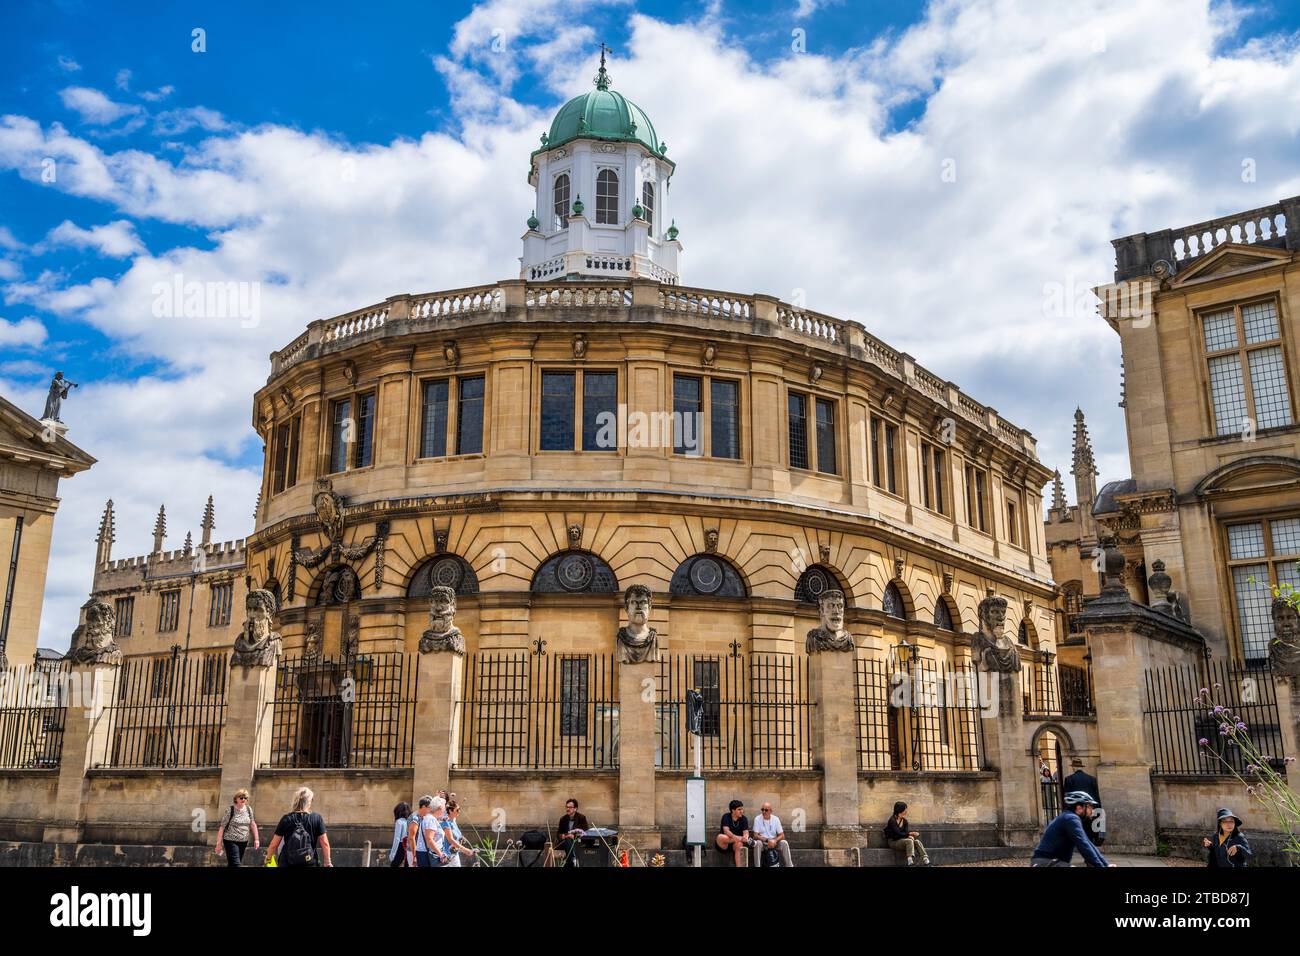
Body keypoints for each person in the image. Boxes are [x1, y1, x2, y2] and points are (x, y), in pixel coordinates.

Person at [1031, 791, 1114, 868]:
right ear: (1079, 808)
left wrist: (1106, 864)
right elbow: (1083, 845)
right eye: (1090, 807)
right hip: (1045, 862)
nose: (1092, 810)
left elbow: (1088, 844)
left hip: (1050, 862)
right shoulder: (1070, 819)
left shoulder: (1070, 818)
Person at [266, 786, 332, 867]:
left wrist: (268, 859)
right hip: (309, 861)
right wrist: (327, 862)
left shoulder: (286, 818)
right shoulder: (317, 818)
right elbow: (325, 843)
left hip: (287, 862)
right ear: (309, 801)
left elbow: (274, 844)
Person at [214, 789, 259, 867]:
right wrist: (219, 843)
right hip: (230, 841)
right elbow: (222, 827)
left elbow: (253, 824)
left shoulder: (248, 809)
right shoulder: (230, 810)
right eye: (241, 797)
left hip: (243, 841)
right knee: (236, 864)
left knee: (233, 864)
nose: (243, 799)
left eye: (245, 798)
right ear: (236, 799)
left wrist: (256, 839)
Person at [408, 794, 450, 868]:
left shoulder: (430, 818)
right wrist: (440, 854)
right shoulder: (430, 819)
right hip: (427, 855)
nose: (445, 810)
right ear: (439, 808)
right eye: (444, 808)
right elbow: (429, 839)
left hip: (427, 854)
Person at [883, 800, 931, 866]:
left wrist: (909, 835)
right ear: (900, 810)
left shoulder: (905, 821)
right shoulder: (892, 820)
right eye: (905, 809)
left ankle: (926, 861)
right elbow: (897, 834)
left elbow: (905, 832)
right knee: (909, 841)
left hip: (903, 841)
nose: (906, 811)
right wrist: (910, 834)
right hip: (893, 841)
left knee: (917, 841)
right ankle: (910, 862)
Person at [751, 802, 794, 868]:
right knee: (758, 843)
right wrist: (768, 840)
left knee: (784, 843)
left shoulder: (775, 819)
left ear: (771, 811)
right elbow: (755, 835)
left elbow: (782, 835)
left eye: (766, 810)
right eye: (762, 810)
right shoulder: (757, 819)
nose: (764, 812)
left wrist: (774, 841)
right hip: (763, 843)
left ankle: (790, 865)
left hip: (774, 843)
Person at [440, 800, 478, 866]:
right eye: (457, 810)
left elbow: (457, 835)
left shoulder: (453, 821)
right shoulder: (445, 822)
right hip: (447, 856)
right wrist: (466, 850)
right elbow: (450, 840)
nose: (459, 811)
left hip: (455, 853)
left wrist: (462, 839)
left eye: (459, 809)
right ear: (450, 811)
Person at [716, 799, 752, 867]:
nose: (742, 811)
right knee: (721, 837)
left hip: (735, 845)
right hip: (724, 844)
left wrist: (746, 837)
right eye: (739, 809)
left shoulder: (744, 819)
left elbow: (746, 832)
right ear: (733, 810)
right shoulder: (726, 816)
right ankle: (739, 840)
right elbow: (726, 831)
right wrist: (741, 838)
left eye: (742, 809)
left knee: (739, 844)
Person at [556, 798, 591, 867]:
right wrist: (562, 836)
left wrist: (574, 836)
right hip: (565, 842)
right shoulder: (563, 819)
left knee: (570, 839)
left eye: (570, 807)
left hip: (578, 842)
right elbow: (558, 834)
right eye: (567, 807)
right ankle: (572, 860)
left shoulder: (581, 818)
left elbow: (586, 832)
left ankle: (569, 862)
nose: (568, 809)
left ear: (575, 809)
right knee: (568, 840)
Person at [389, 801, 411, 868]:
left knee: (394, 864)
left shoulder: (399, 821)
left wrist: (392, 853)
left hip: (401, 846)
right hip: (409, 844)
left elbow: (397, 838)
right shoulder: (410, 821)